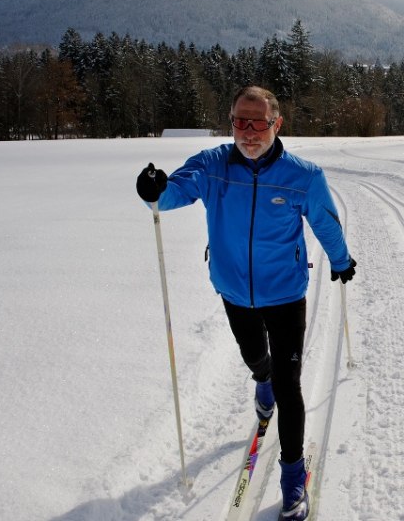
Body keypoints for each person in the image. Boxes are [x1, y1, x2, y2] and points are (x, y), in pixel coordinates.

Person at [135, 86, 356, 520]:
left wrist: (340, 259)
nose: (248, 131)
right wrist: (154, 190)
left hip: (286, 294)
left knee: (289, 387)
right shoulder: (213, 166)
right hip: (234, 290)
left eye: (258, 122)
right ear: (231, 121)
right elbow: (175, 190)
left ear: (277, 123)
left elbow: (325, 221)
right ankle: (262, 378)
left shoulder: (304, 176)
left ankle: (292, 479)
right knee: (256, 359)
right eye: (240, 121)